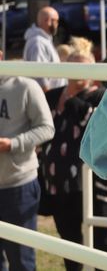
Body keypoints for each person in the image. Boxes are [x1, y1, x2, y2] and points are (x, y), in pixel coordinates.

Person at [42, 51, 107, 271]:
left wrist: (73, 103)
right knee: (68, 238)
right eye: (74, 66)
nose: (78, 73)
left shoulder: (101, 96)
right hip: (57, 181)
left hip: (91, 183)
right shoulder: (52, 96)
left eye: (85, 67)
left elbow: (100, 128)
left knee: (100, 237)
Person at [0, 50, 55, 271]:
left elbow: (46, 128)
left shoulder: (25, 86)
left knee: (21, 260)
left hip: (18, 184)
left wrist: (12, 144)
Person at [23, 7, 67, 91]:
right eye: (56, 21)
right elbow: (39, 74)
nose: (57, 24)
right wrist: (48, 97)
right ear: (48, 20)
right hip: (49, 96)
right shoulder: (38, 42)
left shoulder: (42, 40)